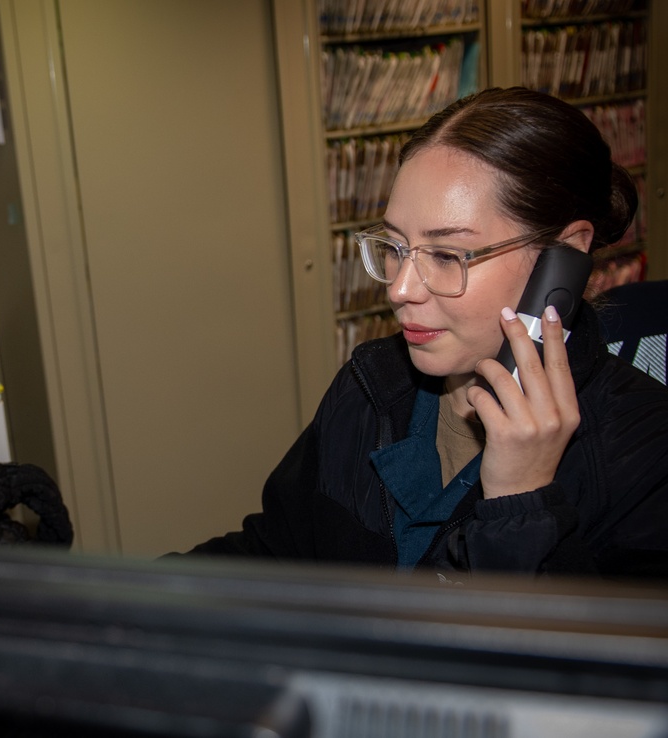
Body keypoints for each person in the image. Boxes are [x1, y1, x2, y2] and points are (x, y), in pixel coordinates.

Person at [183, 87, 668, 580]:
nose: (399, 288)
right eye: (395, 246)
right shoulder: (370, 385)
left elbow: (573, 655)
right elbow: (275, 551)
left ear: (562, 258)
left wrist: (522, 507)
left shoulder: (646, 453)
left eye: (446, 255)